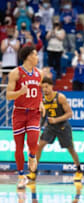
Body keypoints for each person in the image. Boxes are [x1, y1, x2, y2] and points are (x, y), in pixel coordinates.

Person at [26, 77, 83, 182]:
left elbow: (70, 114)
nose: (45, 89)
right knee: (39, 146)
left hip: (63, 126)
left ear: (52, 86)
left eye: (47, 87)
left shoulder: (60, 97)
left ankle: (79, 171)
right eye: (43, 88)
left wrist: (56, 120)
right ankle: (33, 172)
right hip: (51, 127)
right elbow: (43, 116)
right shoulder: (42, 100)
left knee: (71, 149)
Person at [6, 45, 45, 189]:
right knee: (19, 146)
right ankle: (21, 176)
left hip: (34, 113)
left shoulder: (39, 73)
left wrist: (40, 102)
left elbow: (39, 91)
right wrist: (20, 92)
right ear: (29, 56)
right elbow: (8, 95)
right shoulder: (15, 73)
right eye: (35, 54)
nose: (37, 57)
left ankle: (32, 156)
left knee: (34, 141)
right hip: (19, 113)